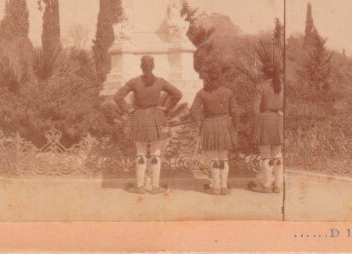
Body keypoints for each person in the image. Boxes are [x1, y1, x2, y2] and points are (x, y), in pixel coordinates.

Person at [114, 55, 183, 194]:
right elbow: (177, 94)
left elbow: (118, 96)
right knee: (156, 152)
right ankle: (155, 186)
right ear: (153, 66)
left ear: (141, 66)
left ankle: (140, 186)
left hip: (139, 118)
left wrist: (129, 110)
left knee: (140, 152)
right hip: (157, 117)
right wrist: (167, 108)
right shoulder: (160, 81)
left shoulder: (134, 82)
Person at [190, 62, 239, 195]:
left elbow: (193, 110)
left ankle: (215, 186)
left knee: (214, 159)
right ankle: (224, 186)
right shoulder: (227, 92)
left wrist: (201, 123)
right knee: (223, 158)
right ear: (220, 76)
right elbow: (235, 112)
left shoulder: (202, 93)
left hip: (209, 125)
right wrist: (235, 128)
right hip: (225, 125)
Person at [248, 72, 284, 194]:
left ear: (265, 73)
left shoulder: (260, 87)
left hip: (264, 120)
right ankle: (278, 185)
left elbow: (255, 109)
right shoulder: (282, 87)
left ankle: (266, 185)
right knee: (277, 154)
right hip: (278, 120)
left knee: (265, 155)